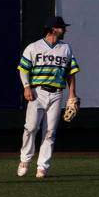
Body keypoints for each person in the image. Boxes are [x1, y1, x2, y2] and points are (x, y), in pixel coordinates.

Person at [16, 16, 80, 179]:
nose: (65, 30)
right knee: (31, 128)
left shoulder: (66, 48)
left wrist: (72, 94)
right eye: (62, 27)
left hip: (57, 93)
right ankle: (25, 159)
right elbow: (23, 68)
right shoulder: (34, 47)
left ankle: (42, 166)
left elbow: (70, 73)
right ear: (53, 29)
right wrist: (26, 87)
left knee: (50, 131)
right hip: (37, 92)